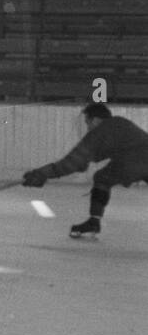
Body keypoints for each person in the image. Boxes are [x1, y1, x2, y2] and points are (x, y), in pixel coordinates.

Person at [22, 101, 148, 238]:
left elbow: (70, 163)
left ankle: (94, 222)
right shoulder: (120, 123)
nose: (87, 128)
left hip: (136, 162)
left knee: (103, 178)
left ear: (95, 119)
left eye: (87, 122)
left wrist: (41, 174)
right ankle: (94, 221)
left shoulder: (99, 132)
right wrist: (82, 164)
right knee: (103, 177)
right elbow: (87, 159)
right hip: (138, 158)